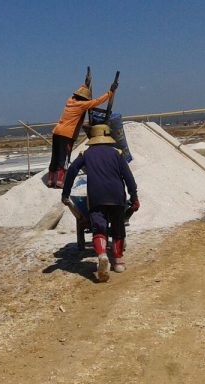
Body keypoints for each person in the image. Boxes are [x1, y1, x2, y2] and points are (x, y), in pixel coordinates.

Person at [61, 124, 139, 282]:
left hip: (96, 196)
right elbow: (128, 177)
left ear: (92, 139)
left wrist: (66, 192)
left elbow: (71, 171)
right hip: (117, 196)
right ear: (108, 138)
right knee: (118, 228)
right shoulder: (117, 154)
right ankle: (118, 262)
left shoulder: (86, 154)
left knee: (99, 228)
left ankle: (102, 254)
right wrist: (134, 195)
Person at [48, 77, 118, 189]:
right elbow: (97, 101)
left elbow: (81, 92)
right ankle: (60, 182)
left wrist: (85, 85)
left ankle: (50, 181)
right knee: (63, 157)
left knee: (55, 156)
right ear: (84, 99)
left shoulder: (70, 100)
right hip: (66, 134)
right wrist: (110, 92)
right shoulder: (82, 105)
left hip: (57, 131)